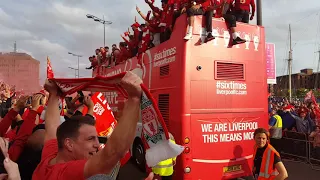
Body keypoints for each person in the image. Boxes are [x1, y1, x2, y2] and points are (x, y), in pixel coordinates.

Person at [32, 72, 154, 180]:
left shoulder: (50, 155)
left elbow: (52, 126)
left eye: (96, 138)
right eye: (90, 139)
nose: (97, 145)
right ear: (69, 144)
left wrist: (53, 95)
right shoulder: (65, 173)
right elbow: (112, 154)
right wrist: (133, 99)